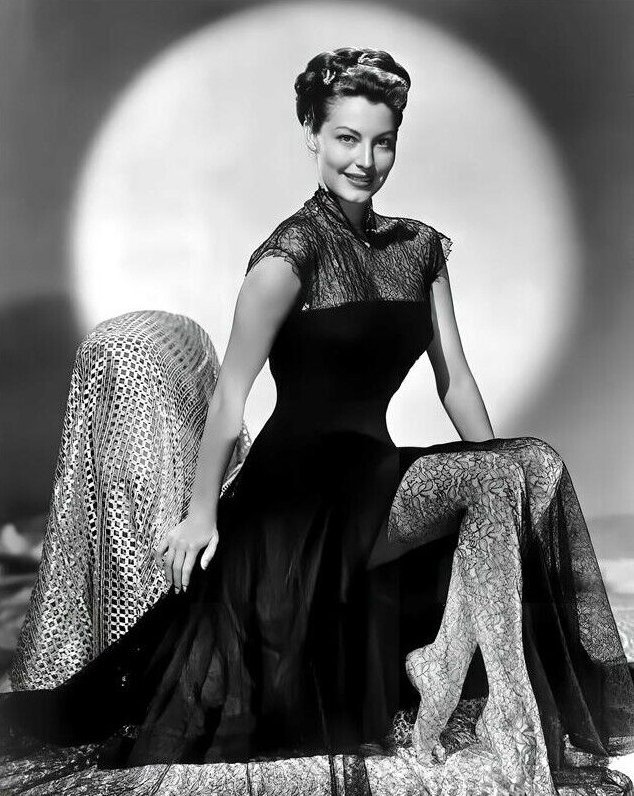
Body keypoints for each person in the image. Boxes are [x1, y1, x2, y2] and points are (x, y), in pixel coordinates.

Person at [1, 46, 633, 796]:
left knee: (528, 466)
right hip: (297, 498)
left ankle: (476, 689)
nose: (366, 160)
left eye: (383, 141)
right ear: (312, 134)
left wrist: (493, 470)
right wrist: (201, 513)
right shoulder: (286, 257)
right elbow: (231, 396)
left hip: (372, 473)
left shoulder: (421, 249)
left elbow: (455, 379)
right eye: (346, 138)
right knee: (504, 475)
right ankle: (511, 725)